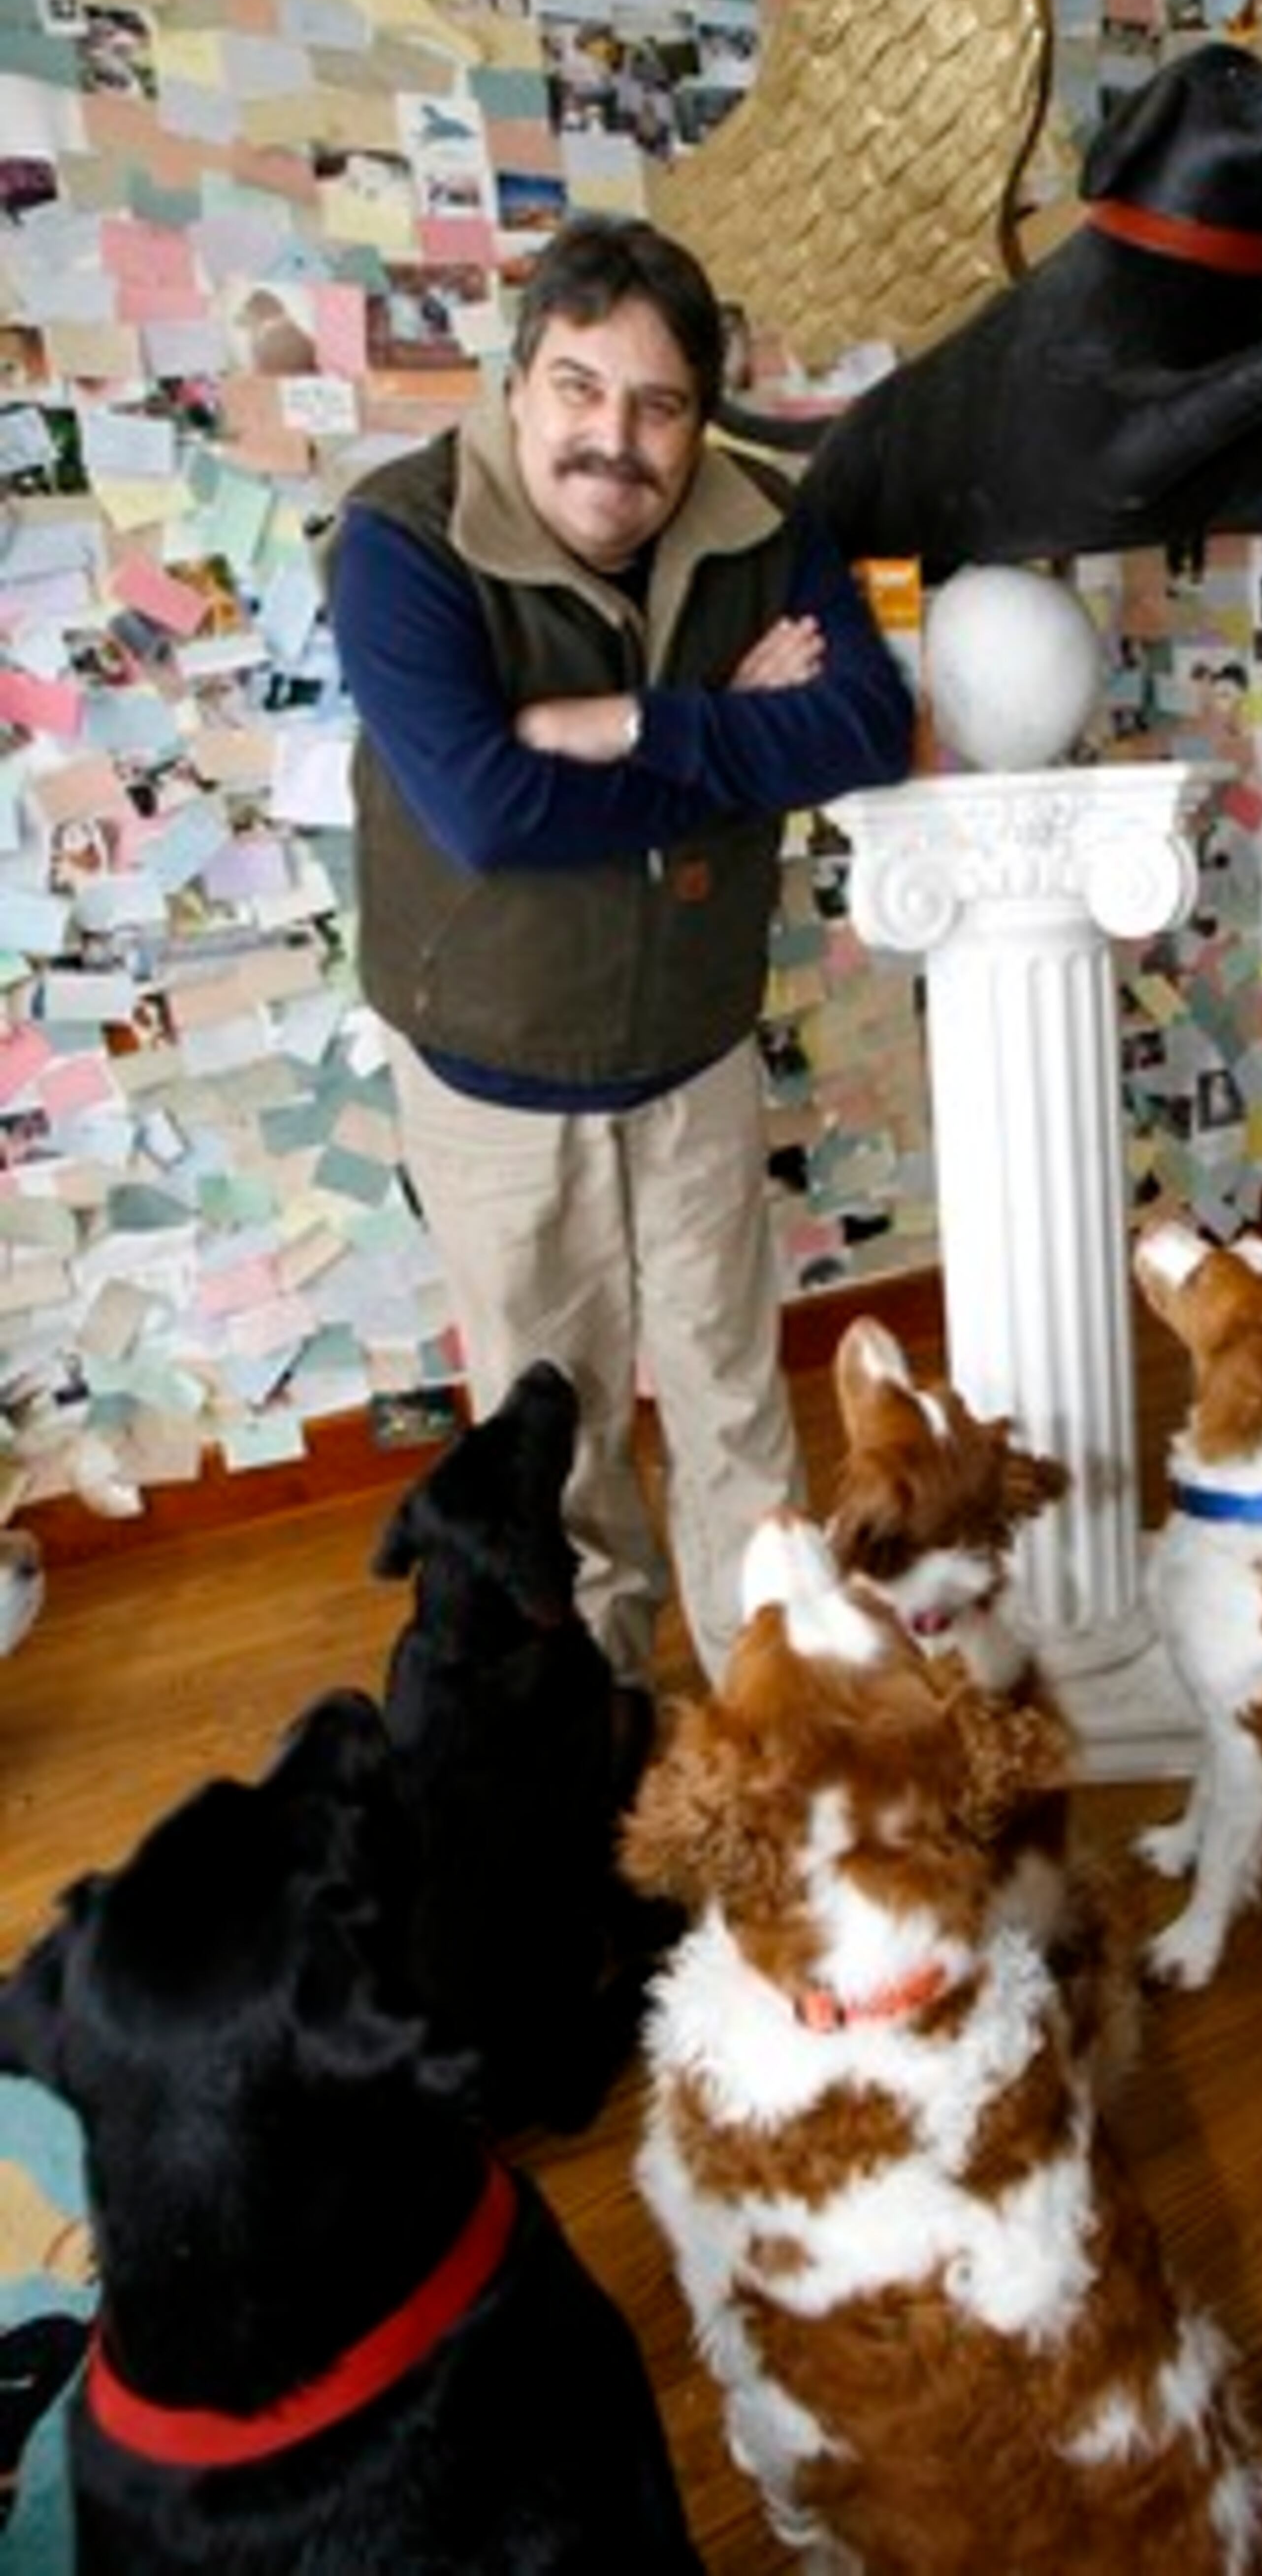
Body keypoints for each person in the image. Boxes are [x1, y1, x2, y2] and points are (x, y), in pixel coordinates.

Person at [327, 214, 913, 1693]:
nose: (617, 439)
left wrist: (637, 722)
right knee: (559, 1431)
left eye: (659, 405)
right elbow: (491, 812)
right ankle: (594, 1717)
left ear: (700, 418)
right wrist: (740, 731)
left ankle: (771, 1704)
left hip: (693, 1053)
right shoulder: (400, 541)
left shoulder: (765, 520)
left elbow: (864, 729)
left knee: (734, 1399)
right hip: (494, 1073)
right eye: (581, 390)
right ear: (519, 381)